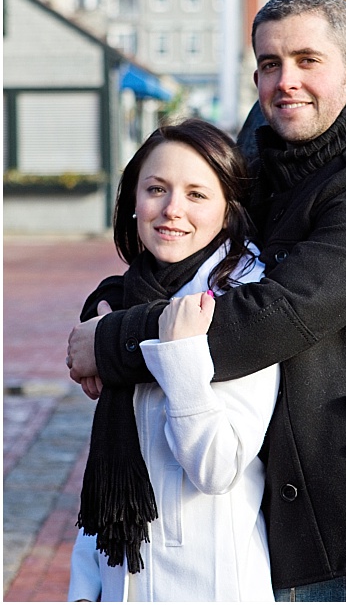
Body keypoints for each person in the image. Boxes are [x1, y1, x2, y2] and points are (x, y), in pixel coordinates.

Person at [67, 0, 346, 602]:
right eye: (270, 64)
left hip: (342, 509)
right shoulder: (264, 166)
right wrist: (109, 302)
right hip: (272, 498)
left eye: (306, 60)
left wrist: (107, 343)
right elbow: (187, 261)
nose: (286, 80)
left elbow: (271, 316)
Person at [67, 120, 277, 601]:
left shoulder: (242, 307)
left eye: (196, 194)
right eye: (156, 189)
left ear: (228, 211)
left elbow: (217, 468)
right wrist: (86, 588)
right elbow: (107, 476)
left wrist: (180, 355)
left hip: (209, 585)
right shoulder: (124, 303)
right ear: (133, 201)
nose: (171, 210)